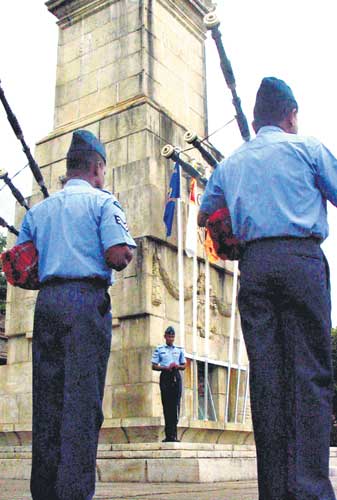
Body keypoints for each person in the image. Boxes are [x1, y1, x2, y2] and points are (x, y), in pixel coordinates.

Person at [198, 77, 337, 500]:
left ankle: (274, 492)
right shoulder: (307, 148)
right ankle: (310, 490)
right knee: (309, 375)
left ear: (257, 120)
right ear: (291, 114)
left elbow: (207, 213)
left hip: (255, 268)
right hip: (300, 261)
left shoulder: (230, 164)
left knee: (268, 380)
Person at [16, 130, 137, 500]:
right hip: (85, 303)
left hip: (48, 304)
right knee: (81, 406)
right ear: (97, 168)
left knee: (48, 403)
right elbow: (118, 253)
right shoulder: (104, 203)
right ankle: (74, 493)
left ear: (69, 169)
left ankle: (45, 492)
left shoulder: (38, 212)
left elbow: (21, 268)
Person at [152, 326, 186, 442]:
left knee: (176, 405)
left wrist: (177, 366)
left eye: (172, 337)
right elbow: (154, 365)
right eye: (169, 336)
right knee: (167, 406)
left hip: (176, 375)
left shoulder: (179, 349)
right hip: (166, 375)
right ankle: (168, 435)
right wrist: (165, 367)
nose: (171, 339)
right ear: (165, 337)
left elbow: (184, 365)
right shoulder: (160, 349)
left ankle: (174, 435)